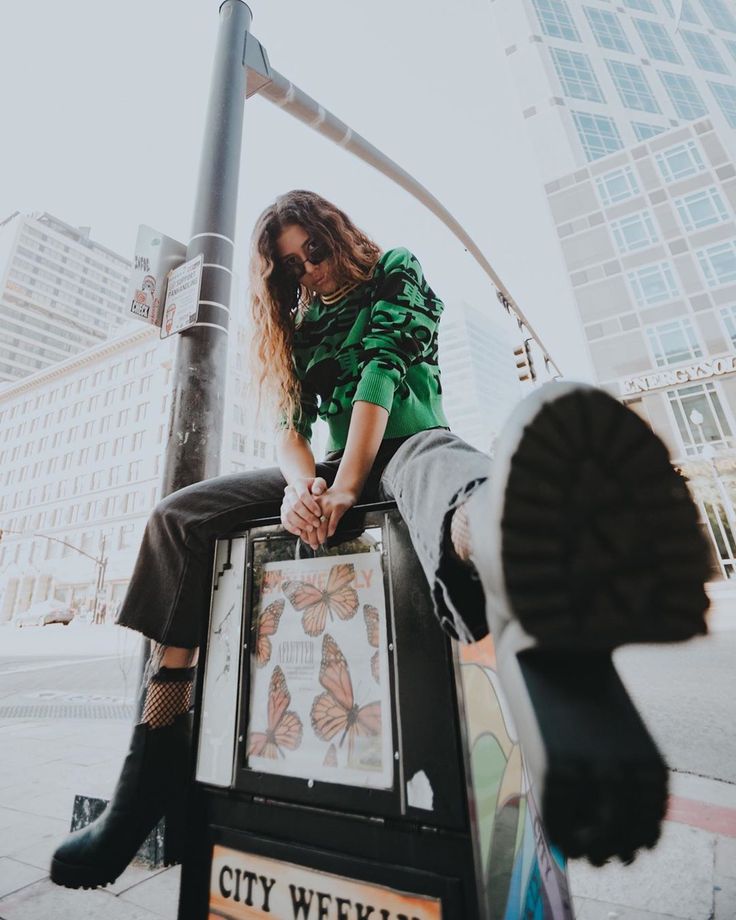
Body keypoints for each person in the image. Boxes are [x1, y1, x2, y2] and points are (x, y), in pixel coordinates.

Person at [50, 190, 710, 889]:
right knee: (177, 520)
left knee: (454, 487)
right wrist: (304, 487)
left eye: (315, 249)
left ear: (337, 234)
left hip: (408, 443)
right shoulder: (298, 323)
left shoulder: (397, 269)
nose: (309, 270)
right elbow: (287, 426)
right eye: (291, 266)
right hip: (337, 471)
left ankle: (528, 569)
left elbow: (381, 376)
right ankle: (146, 779)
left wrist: (342, 488)